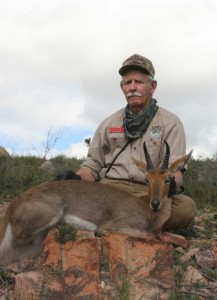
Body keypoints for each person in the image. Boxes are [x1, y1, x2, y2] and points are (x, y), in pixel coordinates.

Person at [60, 54, 196, 231]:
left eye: (139, 82)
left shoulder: (170, 123)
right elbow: (92, 166)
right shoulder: (109, 124)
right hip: (110, 191)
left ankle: (108, 226)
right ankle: (136, 228)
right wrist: (74, 179)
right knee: (67, 199)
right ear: (122, 87)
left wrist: (171, 184)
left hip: (148, 193)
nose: (132, 88)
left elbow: (175, 171)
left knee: (185, 209)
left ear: (152, 86)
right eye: (127, 82)